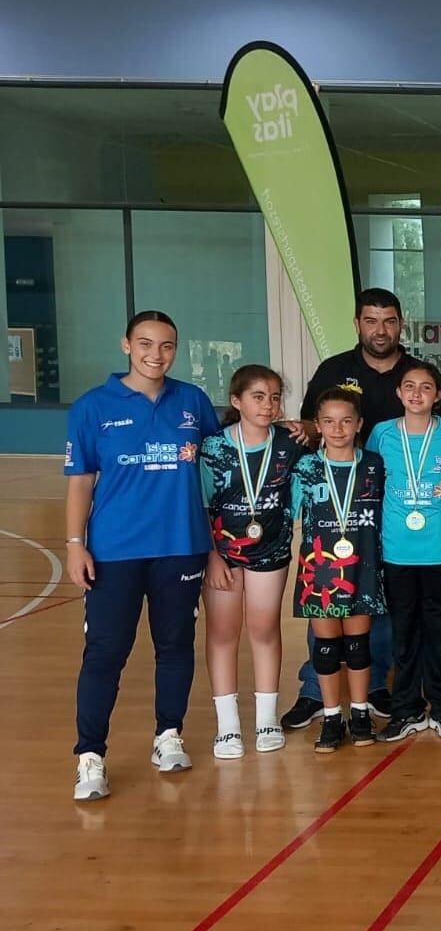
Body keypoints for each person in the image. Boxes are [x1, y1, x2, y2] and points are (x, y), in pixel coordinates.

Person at [66, 311, 222, 801]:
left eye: (167, 345)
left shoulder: (193, 402)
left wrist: (214, 547)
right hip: (114, 551)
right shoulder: (93, 407)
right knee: (106, 653)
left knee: (174, 646)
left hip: (181, 546)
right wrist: (75, 544)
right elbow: (81, 482)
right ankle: (90, 756)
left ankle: (167, 735)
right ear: (126, 345)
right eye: (146, 344)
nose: (157, 354)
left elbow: (216, 474)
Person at [282, 288, 441, 731]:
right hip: (339, 507)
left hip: (394, 508)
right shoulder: (335, 370)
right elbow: (310, 428)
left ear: (401, 324)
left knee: (378, 598)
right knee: (330, 590)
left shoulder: (418, 372)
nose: (381, 329)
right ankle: (316, 691)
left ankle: (373, 686)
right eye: (372, 320)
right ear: (358, 324)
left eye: (390, 320)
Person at [199, 364, 304, 758]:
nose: (268, 404)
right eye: (258, 396)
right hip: (222, 554)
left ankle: (266, 718)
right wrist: (211, 555)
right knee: (223, 633)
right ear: (236, 400)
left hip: (270, 551)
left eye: (275, 397)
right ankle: (227, 726)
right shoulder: (214, 448)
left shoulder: (290, 444)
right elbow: (202, 505)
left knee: (264, 628)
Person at [368, 360, 441, 743]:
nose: (416, 394)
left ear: (438, 396)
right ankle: (407, 709)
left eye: (426, 387)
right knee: (404, 634)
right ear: (398, 393)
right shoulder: (381, 434)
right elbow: (372, 480)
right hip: (397, 550)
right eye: (409, 386)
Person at [289, 387, 388, 752]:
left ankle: (359, 713)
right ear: (317, 426)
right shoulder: (307, 467)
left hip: (362, 566)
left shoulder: (374, 465)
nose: (338, 428)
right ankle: (332, 716)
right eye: (328, 422)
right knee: (327, 648)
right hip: (321, 572)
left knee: (359, 646)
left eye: (346, 420)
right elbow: (286, 513)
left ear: (359, 424)